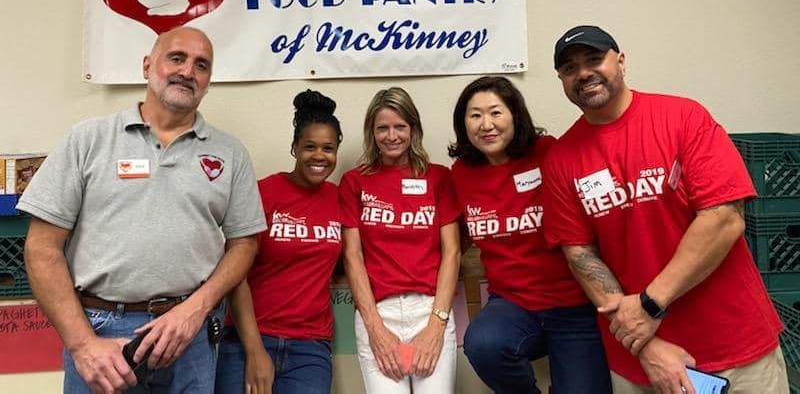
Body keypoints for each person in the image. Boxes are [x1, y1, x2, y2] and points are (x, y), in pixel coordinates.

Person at [18, 26, 267, 394]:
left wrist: (197, 307)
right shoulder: (87, 140)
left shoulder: (230, 153)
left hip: (190, 336)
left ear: (208, 80)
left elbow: (244, 245)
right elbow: (41, 248)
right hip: (101, 334)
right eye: (177, 58)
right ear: (148, 65)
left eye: (201, 65)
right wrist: (83, 345)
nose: (187, 71)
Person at [543, 25, 788, 394]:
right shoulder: (561, 159)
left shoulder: (683, 117)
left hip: (735, 347)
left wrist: (649, 305)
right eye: (570, 68)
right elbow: (580, 253)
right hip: (641, 361)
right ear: (561, 79)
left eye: (594, 59)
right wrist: (644, 342)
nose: (583, 73)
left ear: (621, 62)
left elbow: (723, 218)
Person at [448, 75, 612, 394]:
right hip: (512, 304)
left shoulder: (548, 152)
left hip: (574, 306)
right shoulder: (462, 173)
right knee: (483, 344)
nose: (486, 124)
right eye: (475, 114)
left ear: (515, 114)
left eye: (496, 112)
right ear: (464, 123)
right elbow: (452, 235)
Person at [215, 90, 343, 394]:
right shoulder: (262, 193)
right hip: (249, 339)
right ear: (294, 148)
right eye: (309, 147)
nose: (319, 156)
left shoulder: (339, 199)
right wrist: (255, 351)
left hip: (310, 346)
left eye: (328, 148)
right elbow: (235, 275)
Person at [339, 87, 461, 394]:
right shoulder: (355, 182)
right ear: (372, 132)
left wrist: (436, 325)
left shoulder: (438, 178)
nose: (391, 136)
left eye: (400, 126)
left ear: (414, 129)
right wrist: (375, 328)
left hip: (431, 310)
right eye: (382, 128)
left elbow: (453, 252)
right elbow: (353, 256)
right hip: (377, 313)